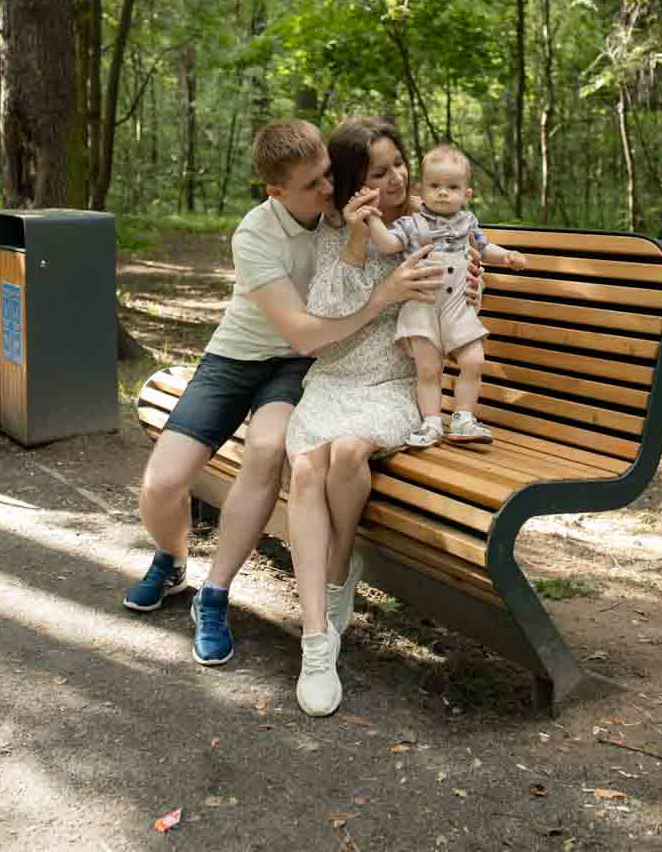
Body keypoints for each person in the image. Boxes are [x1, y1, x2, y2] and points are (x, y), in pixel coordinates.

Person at [123, 118, 452, 671]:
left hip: (296, 366)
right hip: (238, 357)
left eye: (328, 176)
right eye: (312, 184)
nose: (327, 190)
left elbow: (421, 218)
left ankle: (215, 595)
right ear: (277, 191)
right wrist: (381, 296)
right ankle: (173, 558)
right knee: (163, 483)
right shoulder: (256, 235)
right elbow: (303, 328)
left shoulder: (343, 211)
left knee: (268, 450)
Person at [283, 119, 482, 718]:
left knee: (344, 454)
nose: (395, 178)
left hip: (395, 387)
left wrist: (473, 277)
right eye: (378, 171)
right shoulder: (339, 232)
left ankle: (339, 570)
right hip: (335, 382)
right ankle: (317, 639)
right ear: (353, 182)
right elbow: (323, 332)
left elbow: (463, 286)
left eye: (400, 164)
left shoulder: (432, 223)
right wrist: (357, 247)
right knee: (311, 465)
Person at [363, 143, 526, 448]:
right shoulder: (411, 225)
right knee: (428, 369)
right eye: (435, 185)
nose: (442, 192)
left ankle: (464, 417)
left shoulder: (469, 224)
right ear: (421, 189)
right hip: (423, 306)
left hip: (456, 307)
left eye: (452, 187)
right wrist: (371, 218)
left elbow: (484, 248)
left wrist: (506, 257)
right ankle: (431, 422)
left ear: (467, 194)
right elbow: (386, 244)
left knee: (474, 359)